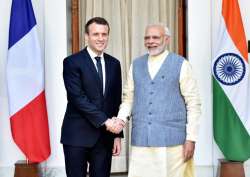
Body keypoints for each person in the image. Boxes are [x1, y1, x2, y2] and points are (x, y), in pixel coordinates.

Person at [112, 24, 201, 177]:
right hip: (141, 140)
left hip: (173, 142)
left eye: (155, 37)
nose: (150, 41)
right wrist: (120, 121)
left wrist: (191, 138)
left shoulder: (181, 64)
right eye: (147, 38)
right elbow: (128, 99)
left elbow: (193, 103)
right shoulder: (136, 65)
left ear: (166, 39)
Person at [61, 17, 124, 177]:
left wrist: (117, 135)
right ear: (86, 36)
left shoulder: (114, 64)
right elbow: (78, 98)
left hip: (104, 138)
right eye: (96, 34)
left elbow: (115, 101)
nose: (101, 38)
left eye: (104, 34)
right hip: (76, 136)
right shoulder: (72, 62)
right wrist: (106, 121)